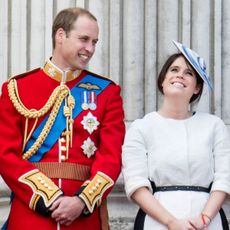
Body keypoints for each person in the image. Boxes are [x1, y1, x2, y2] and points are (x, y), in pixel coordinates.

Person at [0, 7, 125, 230]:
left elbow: (111, 157)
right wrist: (48, 197)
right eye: (84, 39)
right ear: (60, 36)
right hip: (31, 214)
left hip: (83, 217)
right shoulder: (17, 89)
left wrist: (81, 201)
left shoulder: (107, 92)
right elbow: (5, 154)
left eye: (94, 42)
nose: (90, 49)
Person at [122, 40, 230, 230]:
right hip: (157, 221)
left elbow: (224, 177)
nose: (180, 75)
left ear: (196, 87)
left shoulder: (214, 126)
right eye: (174, 70)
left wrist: (204, 219)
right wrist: (172, 222)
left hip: (208, 222)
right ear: (163, 79)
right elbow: (136, 183)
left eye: (189, 73)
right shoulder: (141, 127)